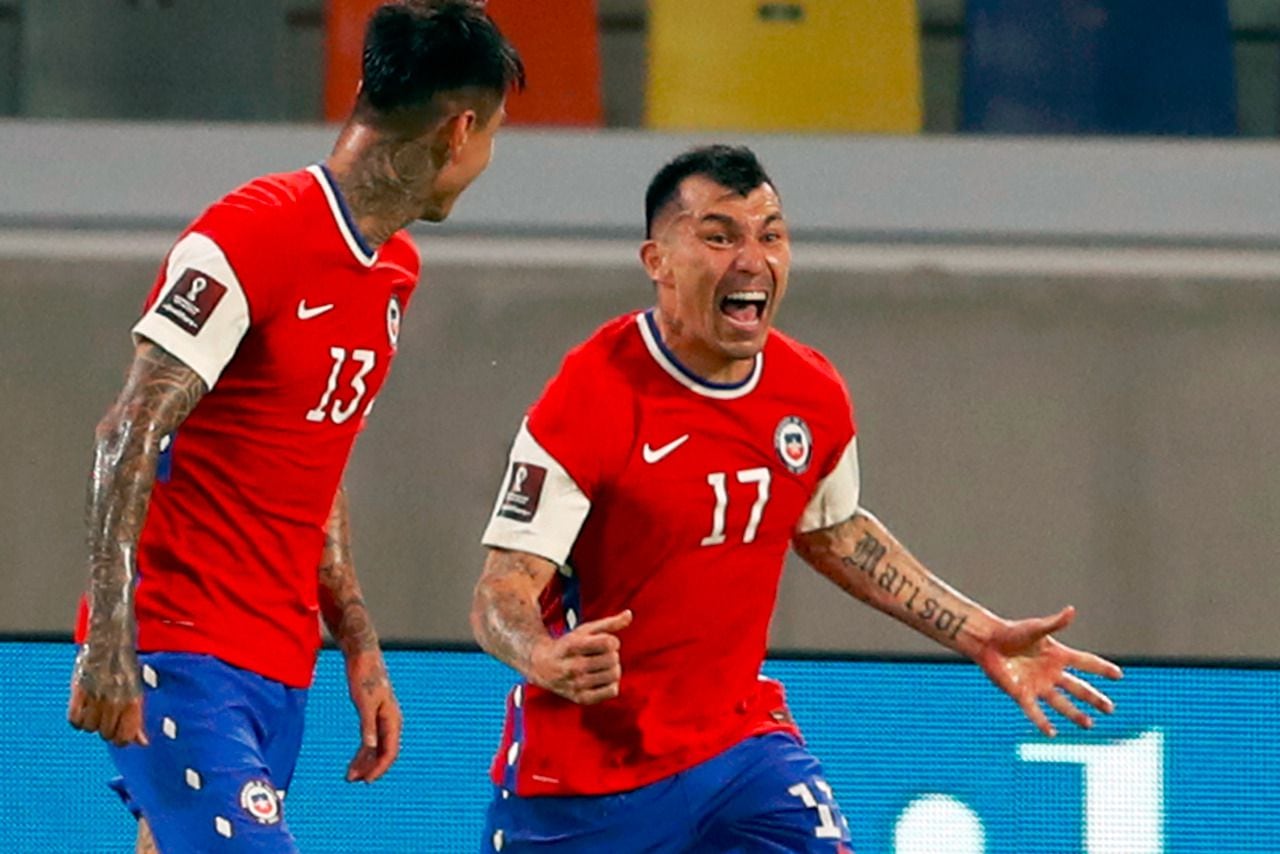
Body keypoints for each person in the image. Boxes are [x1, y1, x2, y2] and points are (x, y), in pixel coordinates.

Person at [470, 144, 1124, 853]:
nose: (751, 259)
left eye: (771, 234)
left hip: (740, 749)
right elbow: (500, 590)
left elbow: (832, 532)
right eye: (719, 237)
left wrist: (977, 633)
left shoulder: (809, 395)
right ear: (657, 261)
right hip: (585, 779)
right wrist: (543, 657)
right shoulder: (591, 396)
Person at [66, 3, 523, 851]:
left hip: (279, 661)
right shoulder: (251, 233)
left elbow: (315, 448)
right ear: (459, 132)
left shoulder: (393, 269)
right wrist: (111, 644)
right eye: (496, 132)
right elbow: (128, 430)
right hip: (177, 645)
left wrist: (353, 633)